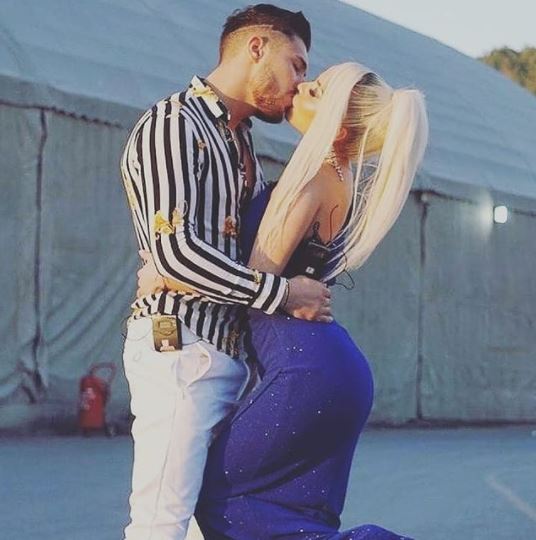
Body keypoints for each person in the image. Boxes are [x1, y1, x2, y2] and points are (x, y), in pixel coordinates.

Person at [141, 63, 428, 538]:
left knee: (219, 501)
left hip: (305, 370)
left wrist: (170, 272)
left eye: (315, 91)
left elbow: (258, 277)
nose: (300, 88)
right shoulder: (341, 179)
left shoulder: (313, 178)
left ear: (337, 125)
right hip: (329, 368)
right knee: (294, 519)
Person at [119, 5, 332, 540]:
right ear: (257, 47)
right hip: (180, 345)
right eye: (297, 64)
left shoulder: (242, 143)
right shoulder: (176, 124)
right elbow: (176, 254)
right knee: (161, 522)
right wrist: (282, 295)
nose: (299, 83)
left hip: (233, 356)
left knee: (209, 522)